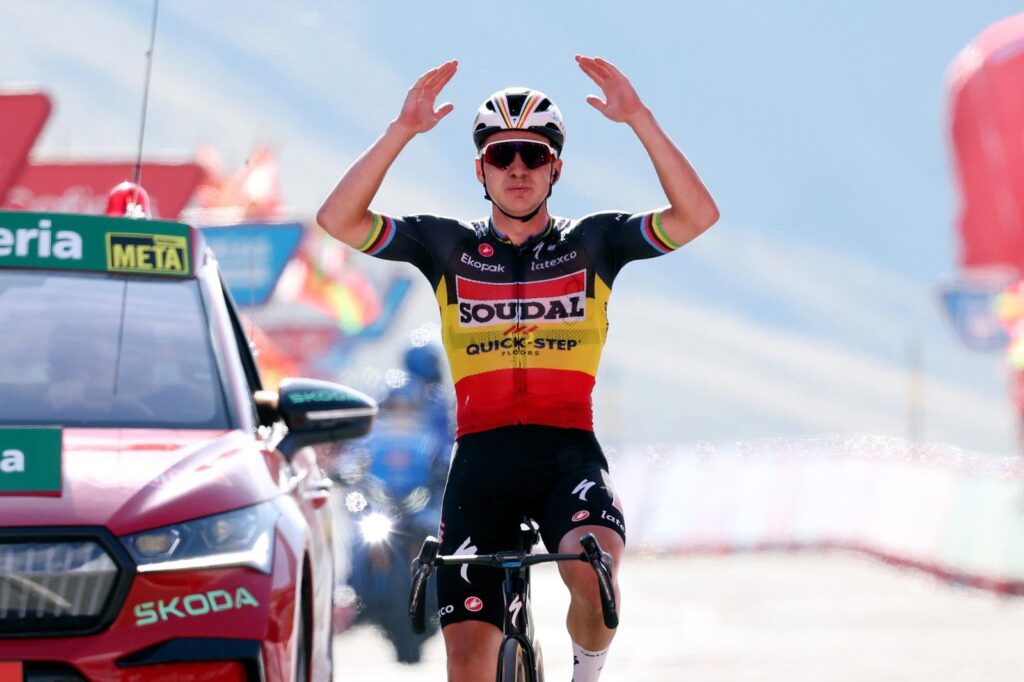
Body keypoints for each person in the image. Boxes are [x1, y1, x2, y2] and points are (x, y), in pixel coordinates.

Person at [318, 55, 719, 682]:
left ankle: (585, 675)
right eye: (501, 155)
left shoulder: (593, 243)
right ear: (481, 169)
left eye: (534, 155)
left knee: (594, 575)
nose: (518, 169)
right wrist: (402, 130)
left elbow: (697, 215)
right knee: (467, 660)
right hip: (481, 465)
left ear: (555, 167)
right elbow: (337, 219)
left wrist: (638, 118)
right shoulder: (447, 247)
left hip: (568, 456)